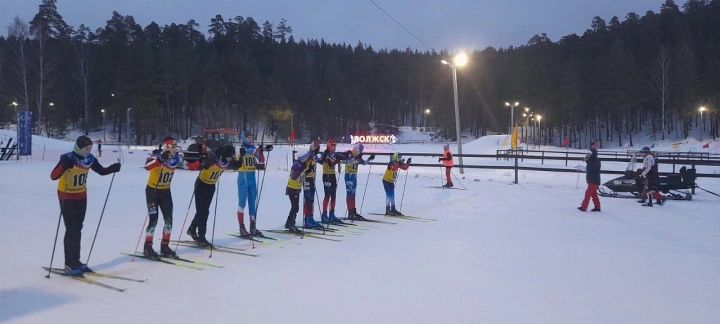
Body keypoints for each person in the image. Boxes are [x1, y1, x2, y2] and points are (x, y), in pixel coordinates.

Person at [50, 135, 120, 276]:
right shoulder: (68, 158)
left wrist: (112, 168)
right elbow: (53, 176)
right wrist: (64, 166)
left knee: (78, 228)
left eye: (90, 148)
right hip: (66, 195)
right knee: (72, 229)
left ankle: (76, 261)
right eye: (86, 148)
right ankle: (69, 263)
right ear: (79, 147)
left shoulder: (89, 159)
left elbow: (101, 171)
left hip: (81, 196)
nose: (88, 150)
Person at [143, 137, 199, 258]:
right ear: (166, 147)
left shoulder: (176, 158)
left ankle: (165, 246)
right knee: (153, 220)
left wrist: (202, 161)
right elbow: (147, 166)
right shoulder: (156, 155)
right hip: (152, 191)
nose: (175, 148)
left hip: (165, 192)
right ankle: (147, 247)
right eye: (172, 146)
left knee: (169, 220)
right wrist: (160, 159)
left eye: (175, 146)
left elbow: (190, 166)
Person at [186, 145, 243, 246]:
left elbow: (237, 165)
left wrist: (241, 156)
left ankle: (192, 228)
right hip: (201, 185)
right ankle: (201, 237)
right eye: (229, 156)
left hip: (211, 186)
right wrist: (203, 162)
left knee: (203, 210)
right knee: (203, 212)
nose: (230, 159)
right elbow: (195, 165)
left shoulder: (226, 160)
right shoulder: (213, 157)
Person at [235, 131, 272, 237]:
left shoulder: (253, 148)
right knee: (242, 203)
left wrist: (261, 151)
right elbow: (237, 160)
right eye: (248, 138)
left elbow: (261, 160)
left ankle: (253, 226)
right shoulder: (239, 148)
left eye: (251, 138)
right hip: (243, 179)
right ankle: (241, 227)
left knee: (252, 204)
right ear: (244, 138)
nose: (251, 140)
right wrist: (243, 154)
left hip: (252, 179)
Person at [284, 147, 318, 233]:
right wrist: (303, 169)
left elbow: (302, 174)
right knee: (295, 207)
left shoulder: (302, 164)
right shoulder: (297, 164)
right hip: (292, 188)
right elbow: (294, 176)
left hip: (297, 188)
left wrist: (307, 170)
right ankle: (291, 224)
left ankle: (289, 222)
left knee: (295, 207)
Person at [344, 144, 375, 220]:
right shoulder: (350, 154)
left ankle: (353, 211)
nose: (360, 153)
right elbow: (347, 162)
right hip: (349, 175)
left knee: (353, 194)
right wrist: (354, 158)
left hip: (354, 176)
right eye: (359, 151)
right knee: (350, 194)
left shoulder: (358, 156)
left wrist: (370, 158)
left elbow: (364, 163)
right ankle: (350, 212)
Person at [320, 138, 347, 224]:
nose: (334, 148)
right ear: (328, 146)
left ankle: (332, 214)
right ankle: (324, 215)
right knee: (327, 195)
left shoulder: (334, 153)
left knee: (333, 195)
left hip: (332, 175)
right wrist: (336, 160)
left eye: (335, 146)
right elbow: (327, 162)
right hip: (326, 175)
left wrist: (346, 155)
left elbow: (341, 157)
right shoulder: (325, 153)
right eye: (332, 146)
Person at [302, 140, 323, 229]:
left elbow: (320, 161)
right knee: (308, 200)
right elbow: (302, 165)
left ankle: (310, 218)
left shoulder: (314, 156)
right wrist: (307, 170)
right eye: (317, 149)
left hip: (312, 179)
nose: (318, 150)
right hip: (307, 179)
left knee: (311, 200)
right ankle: (307, 219)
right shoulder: (308, 155)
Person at [578, 144, 601, 212]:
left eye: (589, 154)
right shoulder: (591, 161)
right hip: (591, 180)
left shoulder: (596, 161)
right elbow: (589, 169)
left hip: (594, 181)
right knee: (594, 195)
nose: (587, 155)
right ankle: (597, 207)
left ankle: (583, 207)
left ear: (592, 154)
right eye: (587, 154)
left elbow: (594, 168)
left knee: (587, 193)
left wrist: (588, 160)